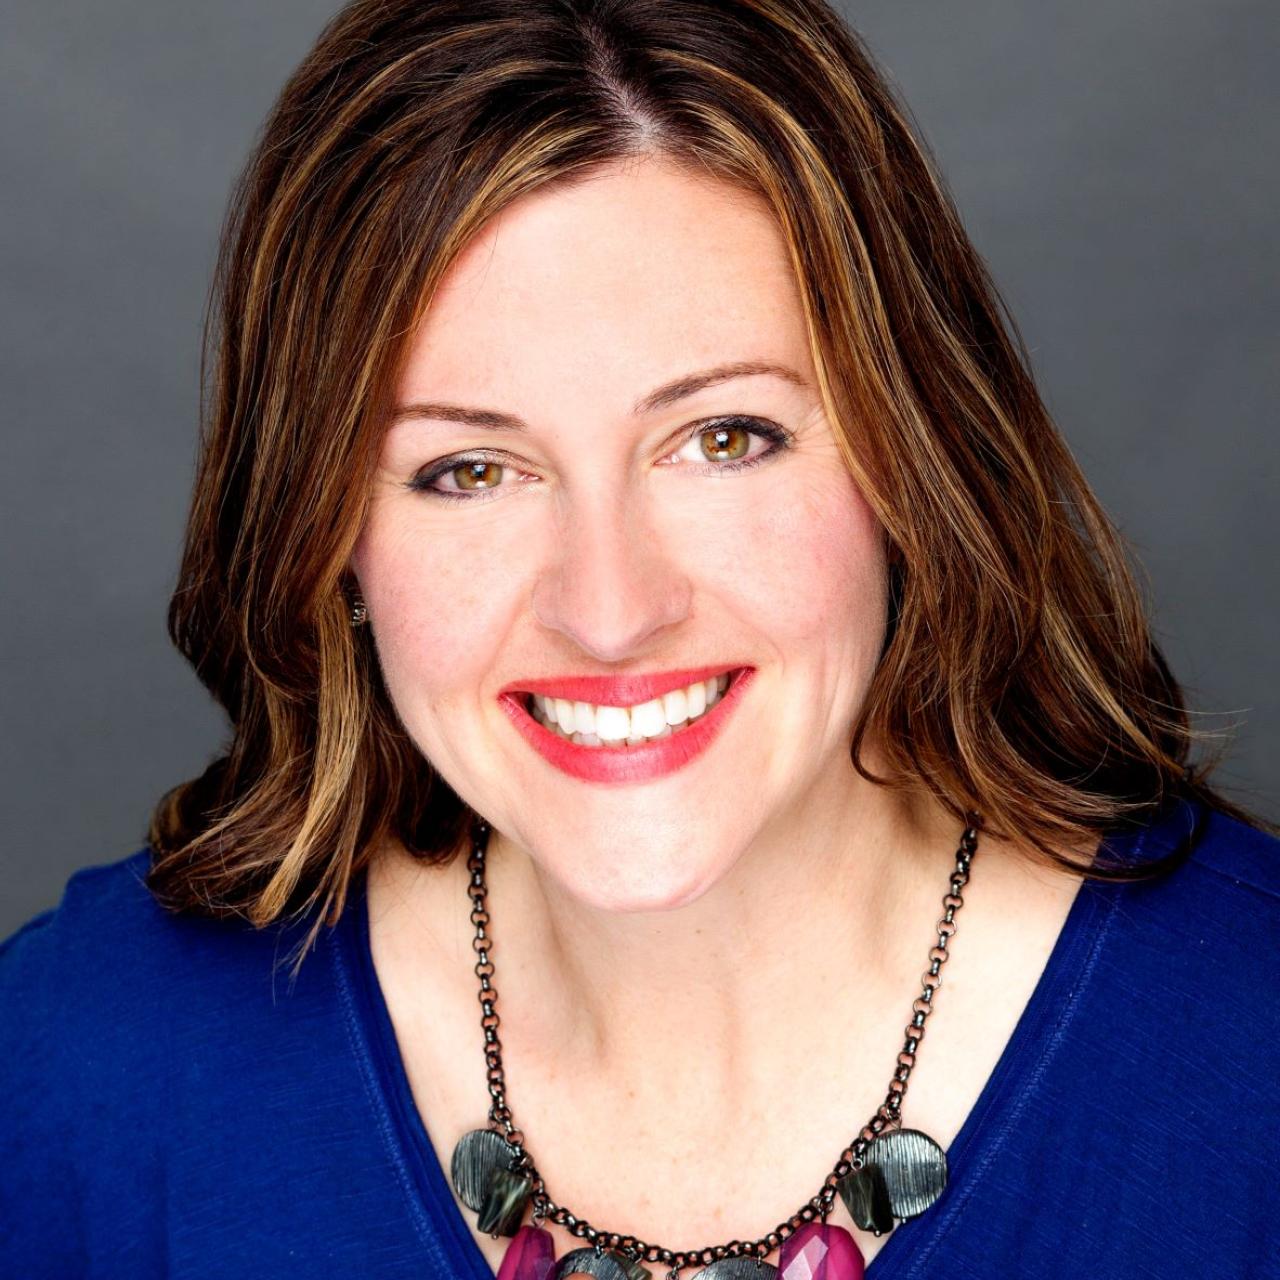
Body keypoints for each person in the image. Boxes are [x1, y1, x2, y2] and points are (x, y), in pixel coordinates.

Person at [2, 1, 1277, 1276]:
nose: (607, 609)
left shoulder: (1245, 1063)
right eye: (467, 469)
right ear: (326, 537)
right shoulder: (83, 1071)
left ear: (911, 461)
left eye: (723, 438)